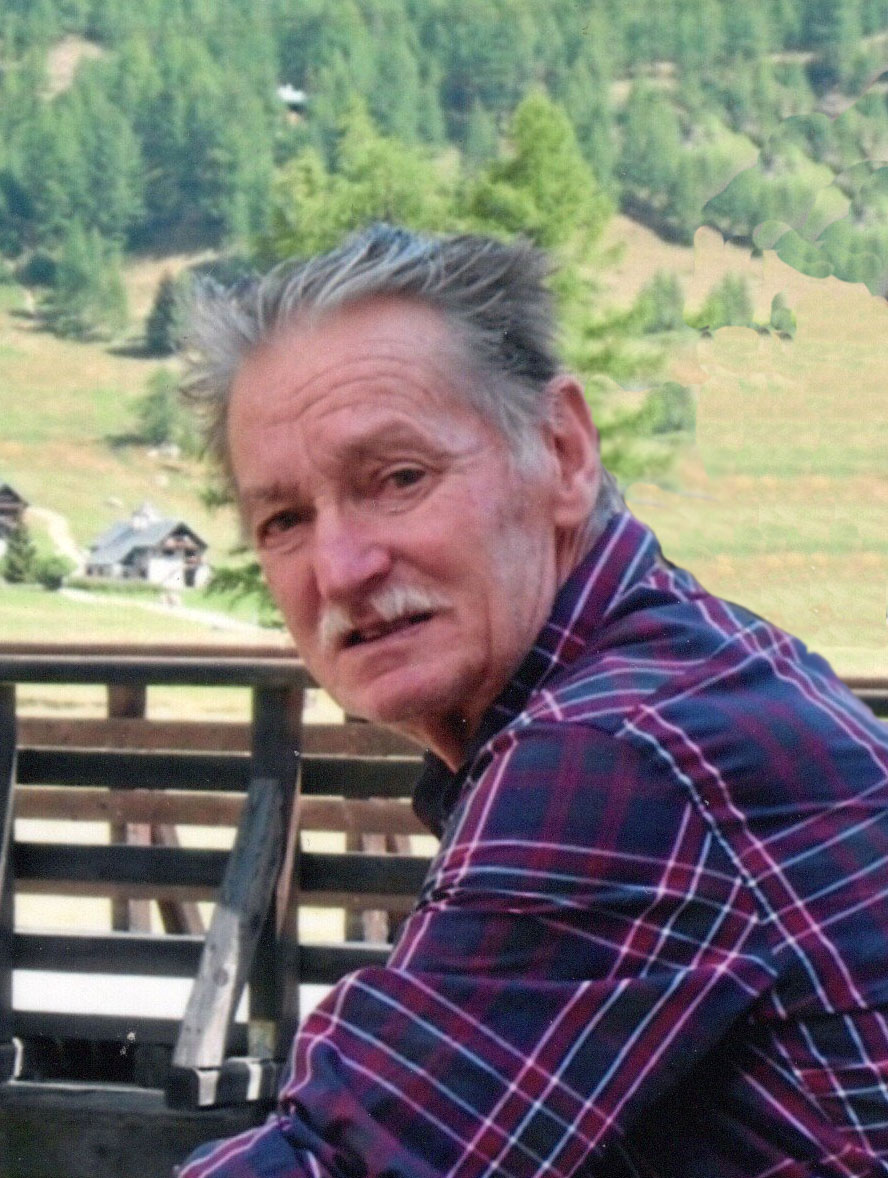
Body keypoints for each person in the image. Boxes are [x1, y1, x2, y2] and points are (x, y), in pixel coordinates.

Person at [178, 225, 888, 1177]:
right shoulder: (684, 667)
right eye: (285, 520)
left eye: (399, 479)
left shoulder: (620, 751)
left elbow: (354, 1163)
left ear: (563, 450)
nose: (341, 569)